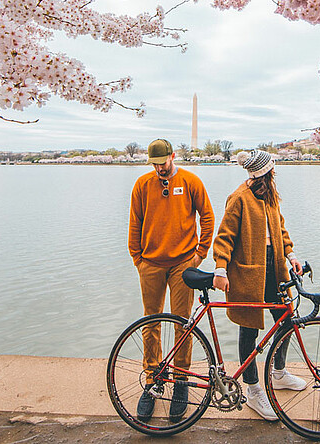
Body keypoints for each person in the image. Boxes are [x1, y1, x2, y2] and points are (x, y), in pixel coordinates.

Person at [211, 149, 306, 421]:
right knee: (249, 329)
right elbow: (225, 237)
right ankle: (252, 389)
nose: (274, 174)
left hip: (274, 269)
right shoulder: (239, 197)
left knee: (287, 321)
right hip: (248, 273)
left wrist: (291, 255)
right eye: (272, 170)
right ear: (265, 172)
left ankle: (278, 372)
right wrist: (220, 267)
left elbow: (281, 230)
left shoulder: (271, 198)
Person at [128, 138, 215, 423]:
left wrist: (199, 255)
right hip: (150, 264)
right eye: (154, 165)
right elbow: (135, 223)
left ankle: (181, 382)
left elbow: (208, 217)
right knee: (150, 322)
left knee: (183, 322)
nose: (159, 169)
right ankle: (153, 380)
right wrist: (137, 259)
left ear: (173, 156)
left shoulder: (191, 181)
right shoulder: (142, 185)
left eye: (163, 163)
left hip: (182, 264)